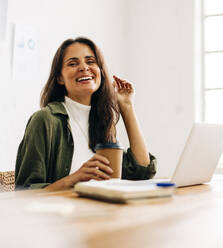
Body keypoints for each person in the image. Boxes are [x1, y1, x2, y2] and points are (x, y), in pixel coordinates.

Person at [15, 37, 156, 190]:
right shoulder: (45, 120)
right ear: (60, 78)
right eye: (73, 63)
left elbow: (142, 172)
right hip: (61, 213)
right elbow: (23, 193)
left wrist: (127, 106)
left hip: (101, 211)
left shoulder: (103, 121)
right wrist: (75, 179)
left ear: (100, 72)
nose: (84, 67)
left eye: (90, 61)